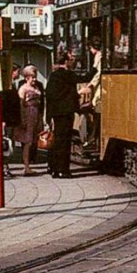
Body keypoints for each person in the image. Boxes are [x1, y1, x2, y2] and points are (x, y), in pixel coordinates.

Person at [45, 50, 80, 178]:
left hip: (56, 113)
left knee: (57, 141)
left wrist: (48, 116)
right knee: (64, 142)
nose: (73, 62)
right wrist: (96, 65)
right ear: (66, 61)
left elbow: (49, 96)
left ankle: (53, 168)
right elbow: (85, 78)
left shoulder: (53, 76)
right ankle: (62, 170)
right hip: (66, 113)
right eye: (71, 59)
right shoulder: (68, 75)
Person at [16, 65, 44, 176]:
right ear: (27, 77)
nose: (35, 79)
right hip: (28, 116)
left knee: (33, 141)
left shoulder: (37, 87)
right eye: (32, 77)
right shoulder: (23, 88)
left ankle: (28, 165)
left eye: (35, 77)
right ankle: (26, 166)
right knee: (27, 142)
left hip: (36, 115)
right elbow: (21, 105)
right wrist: (22, 120)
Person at [79, 36, 103, 150]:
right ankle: (92, 136)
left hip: (101, 88)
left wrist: (90, 84)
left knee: (96, 106)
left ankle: (93, 137)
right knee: (95, 107)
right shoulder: (101, 54)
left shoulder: (99, 56)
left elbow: (98, 73)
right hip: (100, 87)